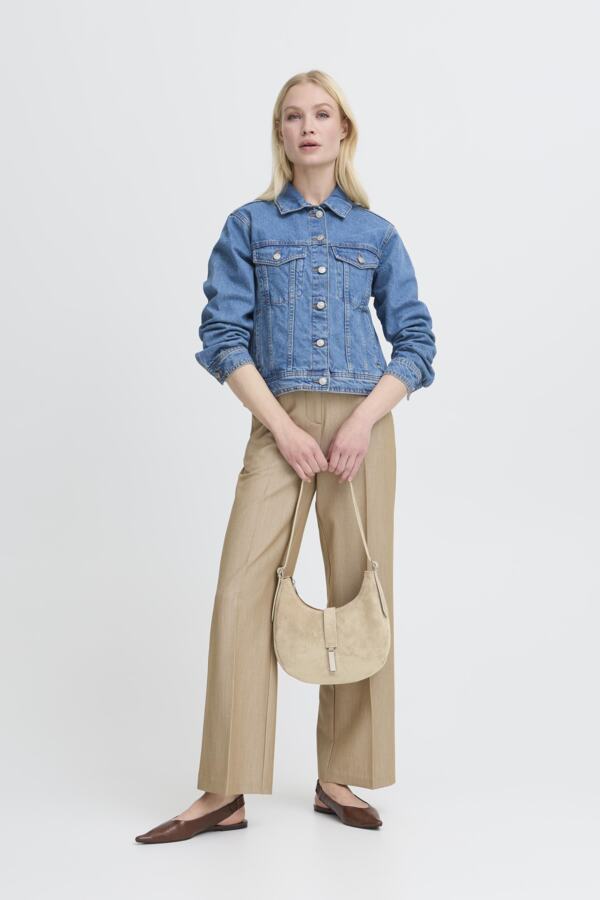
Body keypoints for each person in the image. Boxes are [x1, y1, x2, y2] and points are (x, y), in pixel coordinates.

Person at [135, 69, 436, 843]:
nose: (308, 127)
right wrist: (284, 427)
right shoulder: (249, 226)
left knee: (360, 590)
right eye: (294, 116)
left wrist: (362, 422)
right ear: (280, 133)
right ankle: (224, 790)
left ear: (344, 130)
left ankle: (340, 777)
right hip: (280, 423)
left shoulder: (376, 234)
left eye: (322, 114)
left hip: (364, 427)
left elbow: (416, 343)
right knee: (242, 590)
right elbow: (222, 338)